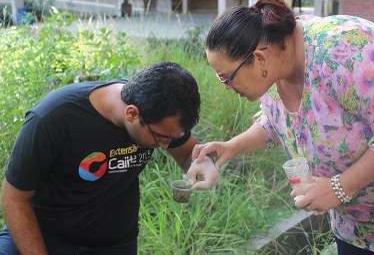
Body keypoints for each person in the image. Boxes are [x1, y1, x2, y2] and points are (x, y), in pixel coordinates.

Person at [192, 0, 374, 255]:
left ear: (259, 59)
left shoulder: (344, 52)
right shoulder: (274, 65)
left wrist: (340, 186)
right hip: (354, 226)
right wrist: (232, 146)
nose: (227, 87)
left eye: (227, 78)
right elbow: (276, 121)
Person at [0, 62, 220, 254]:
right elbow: (14, 198)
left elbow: (188, 152)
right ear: (132, 114)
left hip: (113, 246)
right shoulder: (53, 117)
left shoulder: (160, 117)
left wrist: (204, 164)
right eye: (161, 138)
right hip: (44, 236)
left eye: (171, 138)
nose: (165, 145)